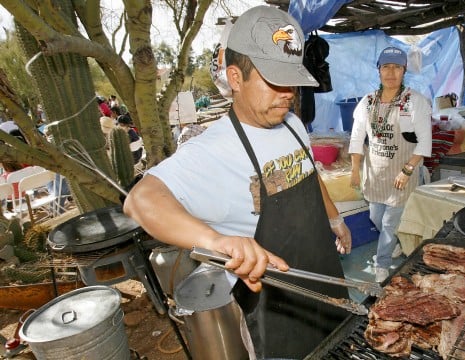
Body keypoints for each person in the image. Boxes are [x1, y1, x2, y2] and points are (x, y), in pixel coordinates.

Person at [123, 5, 352, 359]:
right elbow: (140, 200)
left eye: (290, 79)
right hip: (276, 315)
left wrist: (334, 218)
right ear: (235, 78)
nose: (288, 92)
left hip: (325, 281)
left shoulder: (291, 123)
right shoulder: (211, 150)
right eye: (273, 79)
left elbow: (307, 173)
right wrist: (216, 240)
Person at [349, 46, 432, 283]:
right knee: (376, 217)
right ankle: (394, 243)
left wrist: (407, 170)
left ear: (404, 70)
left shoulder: (415, 102)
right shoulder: (367, 102)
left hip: (402, 173)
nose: (391, 72)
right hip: (375, 174)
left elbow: (425, 143)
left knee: (388, 222)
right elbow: (356, 137)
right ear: (379, 70)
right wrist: (355, 169)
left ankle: (382, 264)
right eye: (386, 66)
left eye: (397, 67)